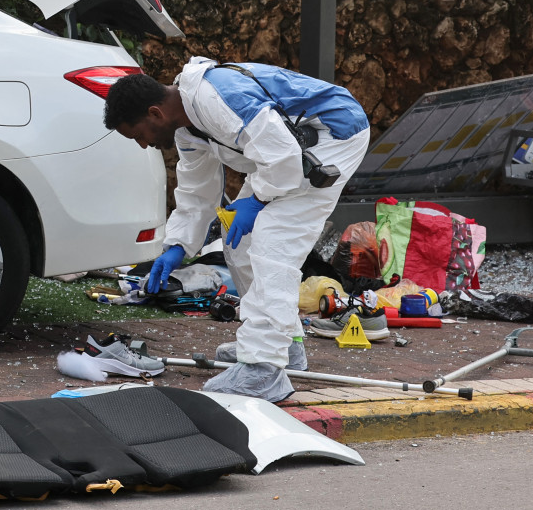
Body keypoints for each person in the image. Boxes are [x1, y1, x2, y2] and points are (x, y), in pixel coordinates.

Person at [103, 59, 371, 402]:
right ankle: (284, 346)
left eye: (139, 135)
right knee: (239, 241)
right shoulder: (188, 128)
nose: (143, 144)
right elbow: (197, 193)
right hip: (289, 154)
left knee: (273, 241)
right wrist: (177, 247)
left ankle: (264, 369)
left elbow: (284, 157)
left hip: (334, 136)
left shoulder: (218, 100)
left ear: (155, 113)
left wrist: (258, 200)